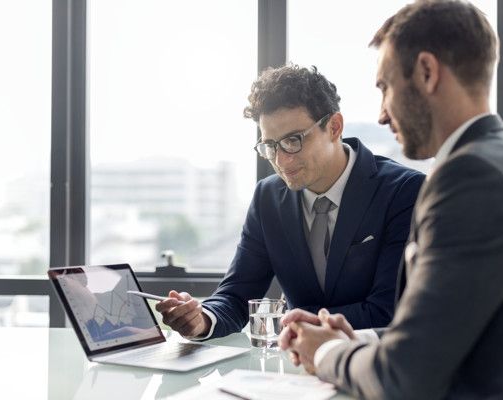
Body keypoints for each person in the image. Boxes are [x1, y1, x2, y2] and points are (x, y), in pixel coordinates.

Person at [279, 1, 503, 399]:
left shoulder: (474, 180)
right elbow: (449, 331)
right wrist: (357, 338)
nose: (382, 115)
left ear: (426, 72)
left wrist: (327, 352)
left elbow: (404, 379)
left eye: (385, 87)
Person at [155, 64, 425, 339]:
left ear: (334, 126)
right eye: (270, 146)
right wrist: (201, 319)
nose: (282, 160)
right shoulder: (267, 198)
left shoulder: (403, 191)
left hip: (372, 365)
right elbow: (236, 295)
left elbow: (387, 312)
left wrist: (288, 325)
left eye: (293, 140)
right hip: (294, 369)